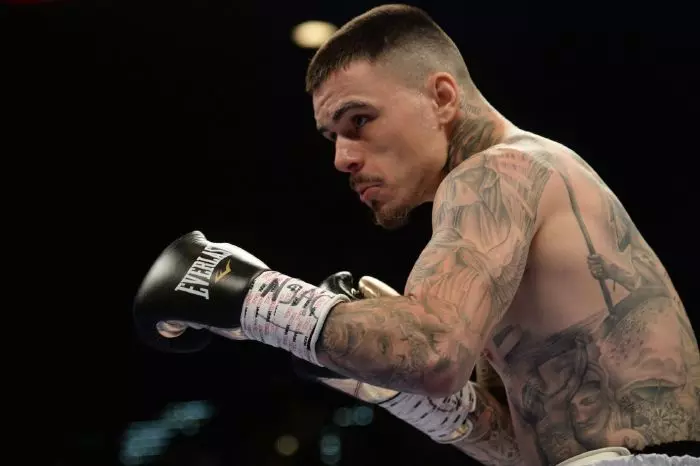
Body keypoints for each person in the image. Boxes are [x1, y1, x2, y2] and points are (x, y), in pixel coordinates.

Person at [132, 4, 700, 466]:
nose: (343, 158)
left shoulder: (501, 170)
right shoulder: (513, 209)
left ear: (442, 97)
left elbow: (432, 351)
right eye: (332, 136)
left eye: (359, 120)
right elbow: (524, 446)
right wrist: (393, 388)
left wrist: (250, 295)